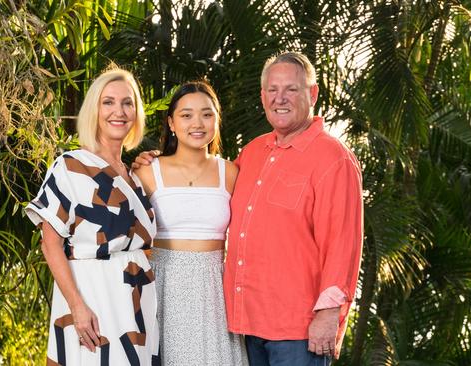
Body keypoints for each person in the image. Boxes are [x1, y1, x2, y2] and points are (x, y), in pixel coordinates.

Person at [134, 52, 363, 365]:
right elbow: (199, 189)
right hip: (246, 323)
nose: (280, 98)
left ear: (312, 94)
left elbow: (343, 244)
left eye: (291, 89)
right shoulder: (253, 153)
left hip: (297, 328)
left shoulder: (333, 158)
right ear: (263, 96)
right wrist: (158, 159)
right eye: (272, 90)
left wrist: (329, 316)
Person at [25, 66, 160, 365]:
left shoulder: (136, 176)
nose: (119, 111)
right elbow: (50, 244)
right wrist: (77, 306)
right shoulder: (70, 166)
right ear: (94, 110)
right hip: (91, 292)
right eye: (108, 102)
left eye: (128, 103)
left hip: (136, 296)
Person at [132, 81, 248, 366]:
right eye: (186, 115)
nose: (198, 123)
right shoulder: (147, 172)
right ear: (171, 123)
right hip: (164, 285)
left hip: (215, 291)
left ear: (217, 121)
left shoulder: (231, 172)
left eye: (207, 114)